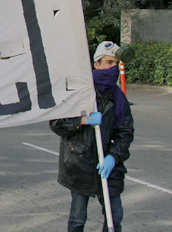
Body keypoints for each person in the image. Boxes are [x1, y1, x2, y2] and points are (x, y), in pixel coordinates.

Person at [50, 41, 134, 232]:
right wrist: (84, 121)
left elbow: (125, 132)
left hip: (107, 166)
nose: (112, 68)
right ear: (97, 64)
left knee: (115, 217)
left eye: (116, 64)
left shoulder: (118, 98)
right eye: (108, 63)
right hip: (80, 163)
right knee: (78, 218)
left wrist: (114, 156)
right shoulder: (79, 92)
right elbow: (56, 123)